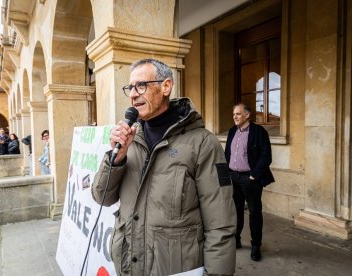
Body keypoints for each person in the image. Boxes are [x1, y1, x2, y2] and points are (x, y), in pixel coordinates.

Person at [92, 59, 236, 276]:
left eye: (141, 85)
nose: (133, 94)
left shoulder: (203, 143)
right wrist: (116, 159)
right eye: (130, 88)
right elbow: (101, 195)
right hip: (128, 265)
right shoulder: (129, 139)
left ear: (166, 86)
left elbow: (220, 223)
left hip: (175, 268)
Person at [224, 103, 275, 262]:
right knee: (236, 210)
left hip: (250, 179)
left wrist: (253, 176)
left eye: (238, 114)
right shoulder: (232, 131)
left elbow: (266, 156)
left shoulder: (259, 132)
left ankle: (255, 246)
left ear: (247, 115)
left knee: (254, 213)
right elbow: (227, 154)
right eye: (234, 114)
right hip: (234, 177)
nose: (235, 117)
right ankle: (236, 239)